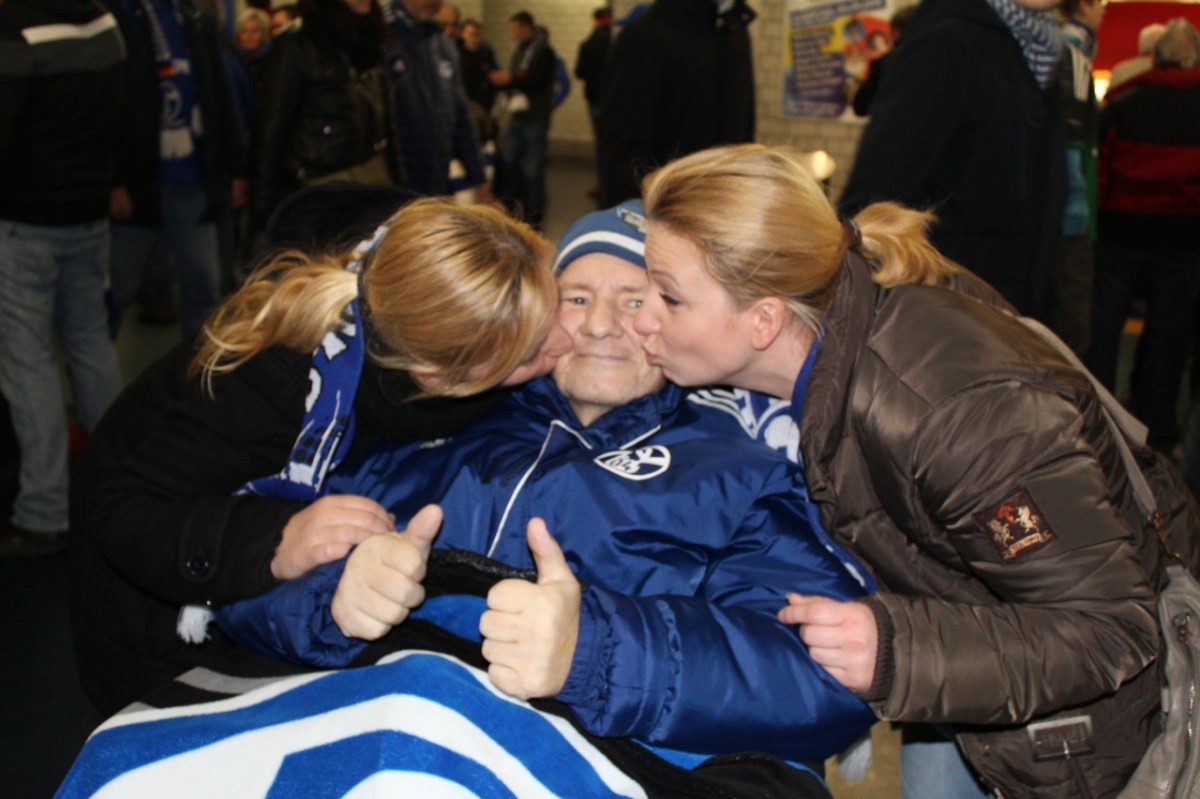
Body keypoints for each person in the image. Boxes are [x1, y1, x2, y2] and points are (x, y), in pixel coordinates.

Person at [215, 200, 877, 763]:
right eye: (577, 299)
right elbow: (237, 586)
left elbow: (827, 681)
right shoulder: (435, 420)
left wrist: (592, 653)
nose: (596, 325)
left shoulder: (738, 470)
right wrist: (330, 598)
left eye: (635, 300)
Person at [630, 143, 1193, 798]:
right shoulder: (839, 344)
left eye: (668, 297)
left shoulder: (953, 413)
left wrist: (897, 647)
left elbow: (1110, 629)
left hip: (1117, 726)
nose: (642, 317)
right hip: (986, 656)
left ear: (763, 320)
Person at [69, 194, 573, 716]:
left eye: (559, 303)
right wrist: (277, 538)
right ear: (436, 377)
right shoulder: (273, 384)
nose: (567, 337)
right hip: (153, 589)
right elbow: (125, 514)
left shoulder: (430, 268)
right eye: (531, 352)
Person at [838, 0, 1066, 324]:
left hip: (1001, 315)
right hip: (940, 319)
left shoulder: (1036, 51)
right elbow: (877, 198)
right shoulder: (947, 40)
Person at [0, 0, 127, 556]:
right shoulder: (104, 21)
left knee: (28, 365)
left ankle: (43, 509)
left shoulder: (15, 29)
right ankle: (121, 483)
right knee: (90, 347)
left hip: (23, 221)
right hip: (87, 212)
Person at [1087, 18, 1200, 454]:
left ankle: (1095, 422)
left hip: (1122, 234)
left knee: (1105, 333)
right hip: (1184, 240)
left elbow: (1101, 172)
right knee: (1167, 342)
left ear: (1155, 56)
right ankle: (1155, 432)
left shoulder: (1122, 100)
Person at [102, 0, 248, 338]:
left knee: (204, 287)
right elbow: (106, 105)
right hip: (137, 186)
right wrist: (114, 181)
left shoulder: (194, 19)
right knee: (116, 290)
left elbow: (219, 94)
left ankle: (194, 380)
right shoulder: (116, 16)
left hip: (191, 182)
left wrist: (236, 168)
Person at [250, 0, 400, 245]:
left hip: (374, 185)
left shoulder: (372, 45)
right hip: (321, 193)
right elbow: (270, 132)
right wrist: (263, 214)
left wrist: (399, 188)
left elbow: (389, 126)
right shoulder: (296, 46)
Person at [596, 0, 756, 205]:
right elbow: (622, 157)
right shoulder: (645, 37)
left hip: (723, 211)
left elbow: (744, 129)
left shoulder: (735, 32)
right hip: (664, 218)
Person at [382, 0, 492, 201]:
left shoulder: (442, 45)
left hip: (436, 181)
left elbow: (461, 117)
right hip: (393, 187)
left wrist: (479, 180)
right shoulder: (382, 37)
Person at [1050, 0, 1106, 356]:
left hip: (1047, 214)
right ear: (1083, 6)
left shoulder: (1055, 47)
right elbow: (1077, 143)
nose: (1104, 12)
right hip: (1065, 217)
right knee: (1067, 335)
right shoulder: (1072, 55)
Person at [489, 11, 556, 228]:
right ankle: (510, 207)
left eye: (517, 29)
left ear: (528, 27)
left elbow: (533, 80)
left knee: (533, 168)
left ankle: (534, 213)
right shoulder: (520, 50)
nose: (514, 33)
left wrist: (511, 80)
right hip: (518, 115)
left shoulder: (544, 52)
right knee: (509, 161)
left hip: (535, 116)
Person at [574, 6, 612, 204]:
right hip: (612, 101)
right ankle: (607, 185)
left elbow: (579, 72)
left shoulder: (588, 44)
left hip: (594, 98)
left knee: (601, 144)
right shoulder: (616, 42)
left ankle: (602, 184)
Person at [850, 4, 915, 117]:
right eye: (874, 47)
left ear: (896, 32)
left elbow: (860, 107)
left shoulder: (885, 64)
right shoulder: (937, 62)